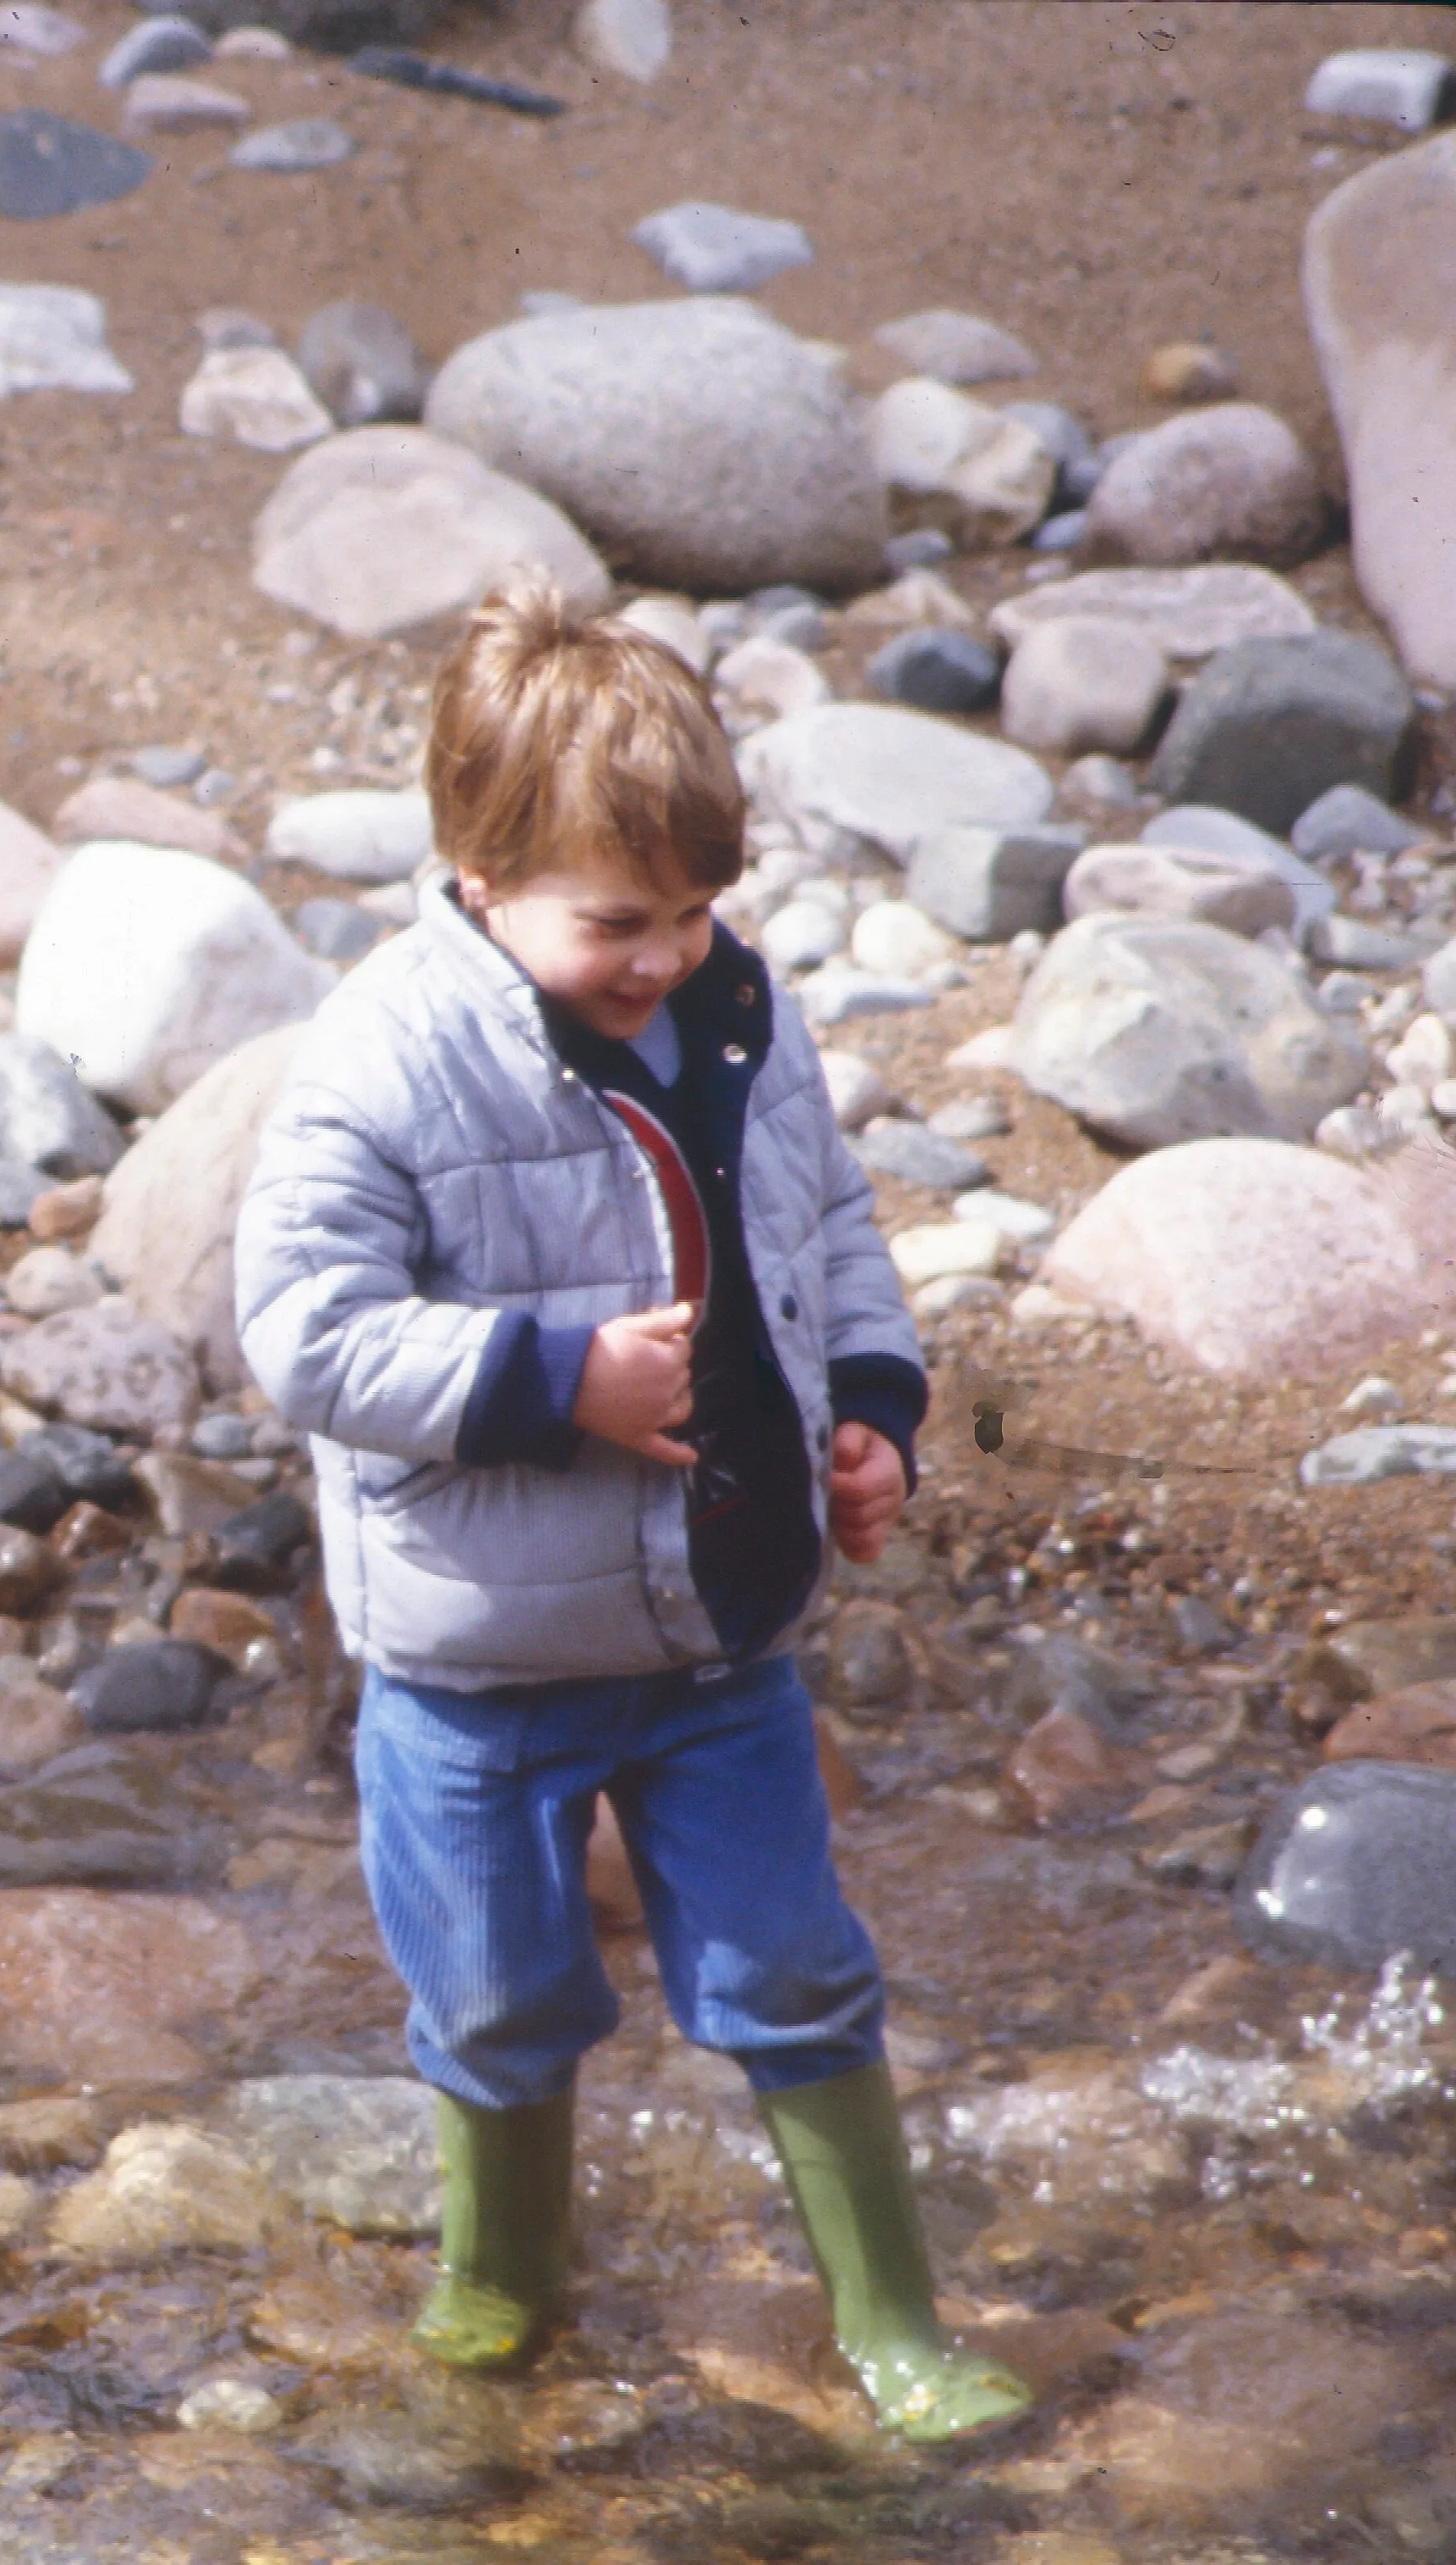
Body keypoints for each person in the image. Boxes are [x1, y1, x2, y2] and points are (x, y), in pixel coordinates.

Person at [233, 577, 1029, 2443]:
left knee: (796, 1977)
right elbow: (308, 1336)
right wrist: (551, 1379)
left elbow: (827, 1237)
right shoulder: (385, 1057)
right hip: (476, 1665)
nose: (665, 954)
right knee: (500, 2003)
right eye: (615, 922)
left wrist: (872, 1420)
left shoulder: (740, 1015)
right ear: (479, 875)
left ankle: (891, 2322)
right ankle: (503, 2281)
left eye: (690, 911)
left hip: (717, 1628)